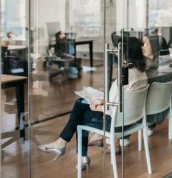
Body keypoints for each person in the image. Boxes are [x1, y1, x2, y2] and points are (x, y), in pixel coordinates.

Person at [39, 37, 148, 170]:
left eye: (118, 50)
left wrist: (97, 106)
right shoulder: (142, 73)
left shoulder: (125, 73)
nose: (116, 53)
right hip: (132, 120)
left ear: (125, 53)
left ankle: (71, 149)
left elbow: (112, 108)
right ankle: (65, 145)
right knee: (81, 104)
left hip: (115, 123)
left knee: (81, 113)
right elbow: (120, 99)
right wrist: (102, 101)